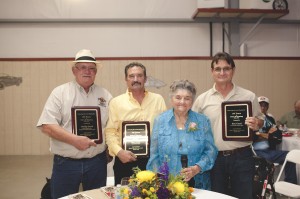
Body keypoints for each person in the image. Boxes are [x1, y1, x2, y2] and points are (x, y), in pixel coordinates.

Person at [37, 49, 113, 199]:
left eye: (92, 68)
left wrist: (111, 146)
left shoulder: (105, 95)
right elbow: (47, 125)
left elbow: (111, 127)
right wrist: (74, 140)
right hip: (66, 164)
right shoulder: (60, 93)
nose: (87, 71)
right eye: (82, 67)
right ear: (74, 70)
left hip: (97, 163)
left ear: (96, 72)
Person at [192, 52, 264, 199]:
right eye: (218, 69)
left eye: (226, 68)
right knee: (217, 196)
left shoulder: (248, 96)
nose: (222, 72)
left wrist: (257, 123)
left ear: (233, 70)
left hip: (242, 156)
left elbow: (261, 120)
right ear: (212, 72)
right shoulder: (202, 100)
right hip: (214, 158)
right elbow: (193, 127)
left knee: (244, 195)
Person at [146, 80, 218, 189]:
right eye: (178, 97)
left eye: (187, 98)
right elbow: (154, 155)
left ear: (192, 101)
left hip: (197, 183)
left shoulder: (203, 121)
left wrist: (197, 168)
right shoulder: (160, 121)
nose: (182, 102)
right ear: (171, 99)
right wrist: (160, 182)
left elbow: (211, 151)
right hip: (168, 184)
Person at [105, 62, 167, 185]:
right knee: (125, 195)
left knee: (153, 195)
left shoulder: (158, 99)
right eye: (131, 76)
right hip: (125, 160)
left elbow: (165, 129)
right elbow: (110, 132)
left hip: (153, 159)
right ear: (126, 79)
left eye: (139, 76)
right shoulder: (116, 102)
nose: (135, 79)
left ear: (145, 79)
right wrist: (119, 152)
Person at [253, 96, 297, 184]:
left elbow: (278, 138)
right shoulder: (253, 119)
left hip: (270, 151)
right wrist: (267, 134)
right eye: (260, 105)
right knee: (265, 162)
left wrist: (262, 134)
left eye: (265, 105)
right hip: (257, 152)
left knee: (290, 157)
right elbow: (253, 136)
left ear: (268, 107)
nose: (263, 107)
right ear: (257, 107)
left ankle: (289, 185)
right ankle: (263, 189)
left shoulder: (270, 119)